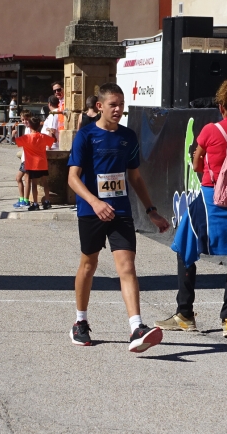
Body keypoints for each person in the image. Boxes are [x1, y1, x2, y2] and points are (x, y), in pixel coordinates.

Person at [68, 82, 170, 352]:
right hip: (91, 210)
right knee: (88, 265)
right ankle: (80, 322)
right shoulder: (86, 135)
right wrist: (94, 201)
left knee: (127, 267)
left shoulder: (128, 137)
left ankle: (136, 327)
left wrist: (151, 211)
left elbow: (135, 177)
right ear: (100, 106)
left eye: (121, 105)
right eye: (113, 105)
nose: (118, 109)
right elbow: (72, 177)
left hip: (121, 210)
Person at [155, 78, 227, 338]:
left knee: (185, 249)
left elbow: (197, 162)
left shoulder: (211, 130)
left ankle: (185, 312)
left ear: (222, 106)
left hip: (211, 198)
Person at [16, 116, 55, 211]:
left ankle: (36, 203)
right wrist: (52, 134)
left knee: (34, 184)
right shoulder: (42, 136)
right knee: (45, 182)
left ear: (29, 126)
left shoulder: (26, 138)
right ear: (39, 126)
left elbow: (16, 142)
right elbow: (53, 141)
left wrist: (13, 134)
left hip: (32, 164)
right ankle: (47, 201)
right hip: (42, 163)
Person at [13, 111, 33, 209]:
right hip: (25, 157)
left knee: (25, 178)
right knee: (20, 178)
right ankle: (22, 199)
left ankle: (25, 200)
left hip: (28, 158)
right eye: (22, 120)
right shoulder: (27, 129)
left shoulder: (30, 129)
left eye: (26, 119)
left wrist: (16, 138)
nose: (24, 121)